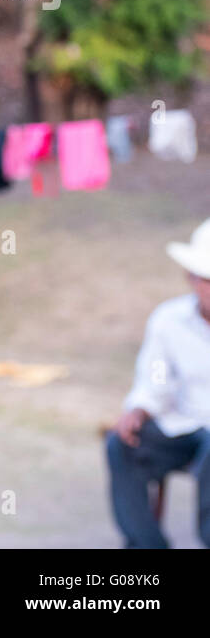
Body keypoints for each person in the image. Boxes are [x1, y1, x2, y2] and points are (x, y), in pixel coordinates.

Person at [105, 218, 210, 548]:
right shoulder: (170, 320)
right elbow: (156, 380)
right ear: (190, 279)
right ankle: (147, 543)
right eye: (205, 278)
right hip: (184, 424)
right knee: (122, 444)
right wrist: (139, 409)